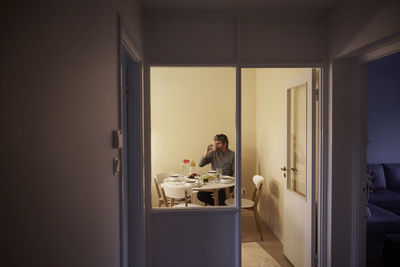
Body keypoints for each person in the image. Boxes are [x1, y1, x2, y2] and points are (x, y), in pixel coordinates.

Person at [197, 134, 235, 205]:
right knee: (200, 195)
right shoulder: (213, 153)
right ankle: (218, 206)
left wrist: (231, 184)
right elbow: (200, 164)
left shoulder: (232, 155)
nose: (215, 145)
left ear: (225, 144)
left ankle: (219, 208)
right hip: (214, 183)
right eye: (215, 143)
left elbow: (235, 173)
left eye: (218, 144)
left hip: (226, 185)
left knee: (221, 196)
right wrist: (206, 152)